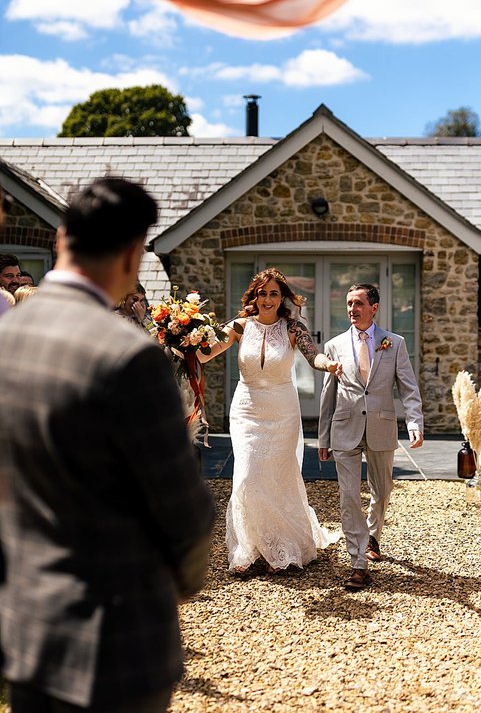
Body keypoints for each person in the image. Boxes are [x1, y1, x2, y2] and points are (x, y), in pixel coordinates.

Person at [0, 177, 215, 713]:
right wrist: (170, 587)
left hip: (24, 634)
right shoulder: (127, 356)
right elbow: (185, 517)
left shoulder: (8, 338)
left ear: (60, 238)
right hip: (113, 645)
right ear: (133, 253)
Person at [199, 267, 342, 574]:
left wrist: (328, 364)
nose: (267, 299)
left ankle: (284, 548)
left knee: (278, 477)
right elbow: (205, 354)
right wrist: (180, 338)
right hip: (247, 410)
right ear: (255, 295)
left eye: (273, 293)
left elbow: (312, 355)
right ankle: (246, 549)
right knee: (248, 476)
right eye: (262, 293)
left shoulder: (293, 327)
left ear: (282, 297)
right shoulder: (239, 326)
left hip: (282, 411)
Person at [317, 283, 424, 591]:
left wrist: (414, 421)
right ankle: (358, 563)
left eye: (359, 303)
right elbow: (328, 393)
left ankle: (373, 533)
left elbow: (409, 387)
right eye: (349, 303)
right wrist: (323, 437)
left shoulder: (395, 343)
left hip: (382, 427)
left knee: (383, 490)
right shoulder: (335, 345)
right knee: (349, 496)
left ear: (374, 308)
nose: (352, 309)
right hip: (344, 429)